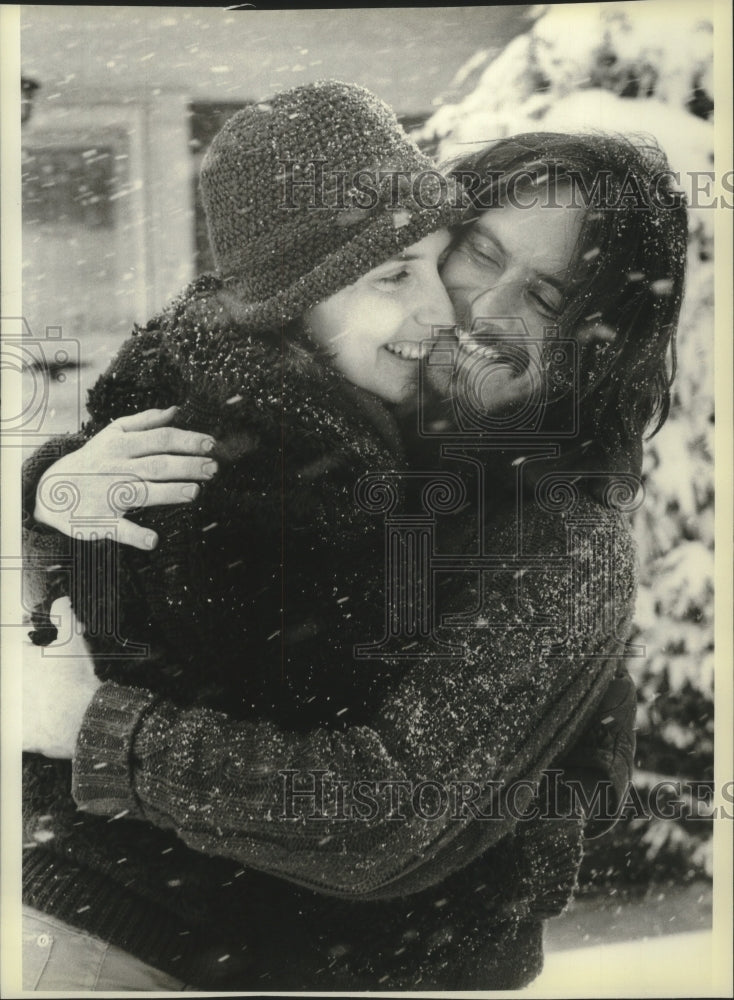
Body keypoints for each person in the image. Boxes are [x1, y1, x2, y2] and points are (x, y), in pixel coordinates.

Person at [21, 110, 687, 990]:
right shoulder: (325, 399)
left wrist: (95, 729)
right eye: (481, 253)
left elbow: (389, 810)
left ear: (597, 351)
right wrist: (54, 490)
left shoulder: (560, 543)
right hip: (114, 929)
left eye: (547, 296)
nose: (483, 310)